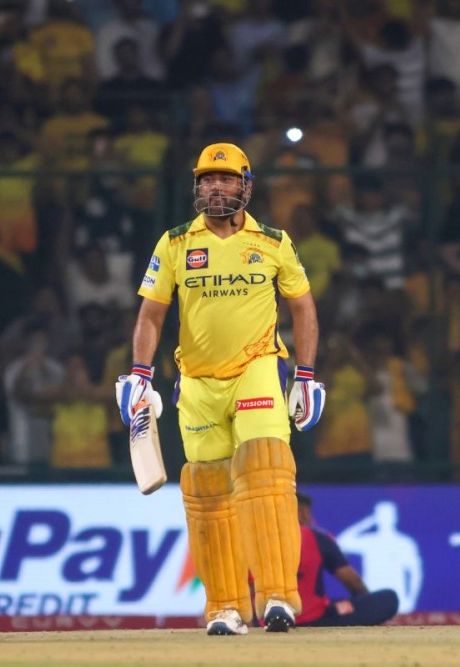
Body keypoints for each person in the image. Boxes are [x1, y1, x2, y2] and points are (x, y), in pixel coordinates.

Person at [115, 143, 325, 636]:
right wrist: (139, 374)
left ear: (246, 187)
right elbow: (151, 313)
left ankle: (278, 596)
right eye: (206, 179)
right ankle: (225, 607)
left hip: (257, 368)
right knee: (207, 491)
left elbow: (304, 308)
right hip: (198, 383)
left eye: (225, 179)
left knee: (265, 469)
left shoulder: (273, 242)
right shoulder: (175, 243)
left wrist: (307, 374)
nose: (214, 187)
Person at [296, 493, 399, 627]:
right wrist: (367, 606)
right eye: (309, 514)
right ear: (303, 513)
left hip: (266, 619)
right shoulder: (316, 538)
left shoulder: (261, 538)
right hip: (313, 619)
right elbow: (354, 582)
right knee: (389, 598)